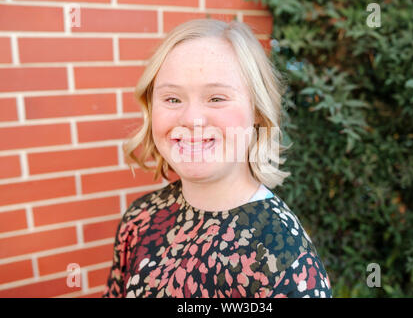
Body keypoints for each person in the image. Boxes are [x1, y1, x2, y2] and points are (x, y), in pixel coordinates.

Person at [102, 18, 332, 298]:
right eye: (173, 99)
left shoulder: (283, 260)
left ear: (257, 112)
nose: (191, 119)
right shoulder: (140, 219)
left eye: (216, 98)